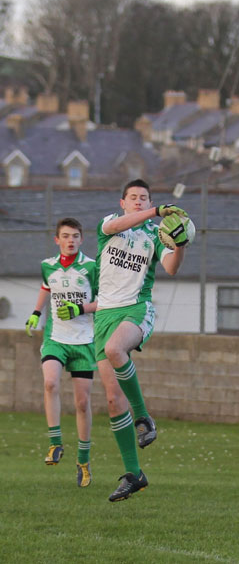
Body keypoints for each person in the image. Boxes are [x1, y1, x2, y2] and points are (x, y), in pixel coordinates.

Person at [94, 178, 189, 502]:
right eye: (133, 198)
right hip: (103, 315)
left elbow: (172, 268)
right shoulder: (109, 225)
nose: (138, 201)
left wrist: (181, 243)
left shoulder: (154, 236)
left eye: (144, 197)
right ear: (123, 202)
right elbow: (117, 225)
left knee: (115, 348)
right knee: (111, 400)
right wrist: (155, 211)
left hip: (136, 309)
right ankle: (134, 474)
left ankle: (143, 416)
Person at [25, 217, 97, 488]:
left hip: (84, 341)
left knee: (81, 403)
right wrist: (35, 313)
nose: (70, 240)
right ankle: (55, 443)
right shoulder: (48, 266)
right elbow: (47, 287)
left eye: (75, 236)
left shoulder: (91, 267)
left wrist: (80, 309)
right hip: (56, 338)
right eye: (65, 236)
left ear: (81, 239)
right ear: (57, 240)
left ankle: (83, 460)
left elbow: (103, 302)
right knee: (50, 382)